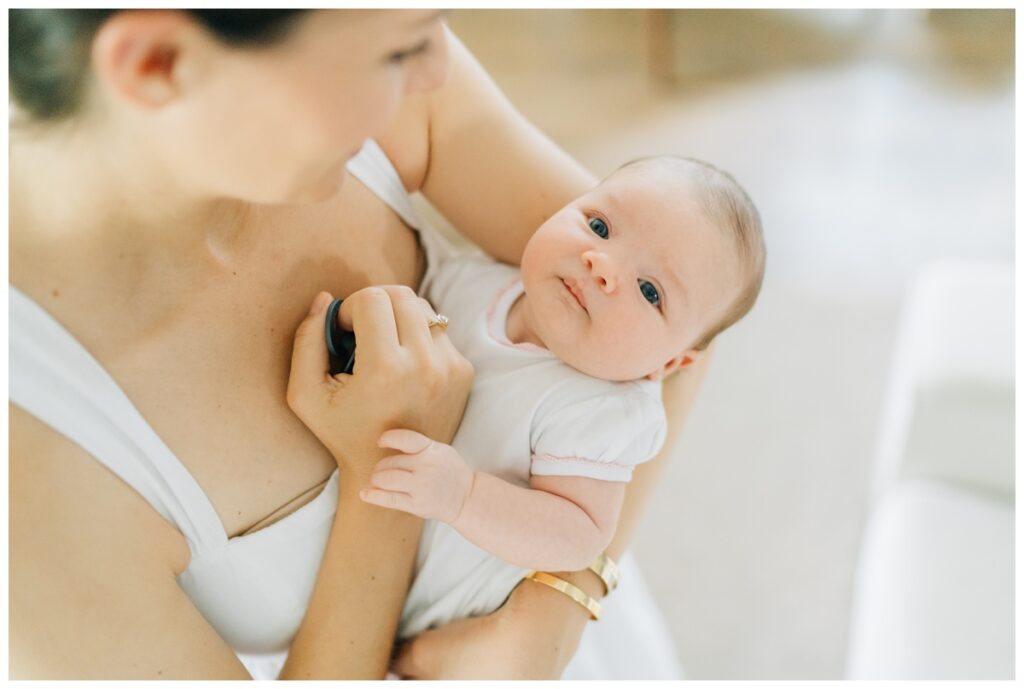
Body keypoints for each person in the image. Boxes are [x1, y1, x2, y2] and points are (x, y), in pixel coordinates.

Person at [9, 9, 714, 680]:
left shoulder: (370, 51)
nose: (438, 65)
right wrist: (390, 467)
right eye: (400, 48)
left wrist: (552, 619)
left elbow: (692, 312)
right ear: (158, 64)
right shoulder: (35, 473)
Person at [349, 155, 765, 640]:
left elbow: (578, 535)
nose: (602, 265)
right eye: (600, 225)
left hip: (447, 627)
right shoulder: (482, 280)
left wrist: (463, 495)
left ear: (670, 365)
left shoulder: (601, 410)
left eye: (650, 290)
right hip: (371, 561)